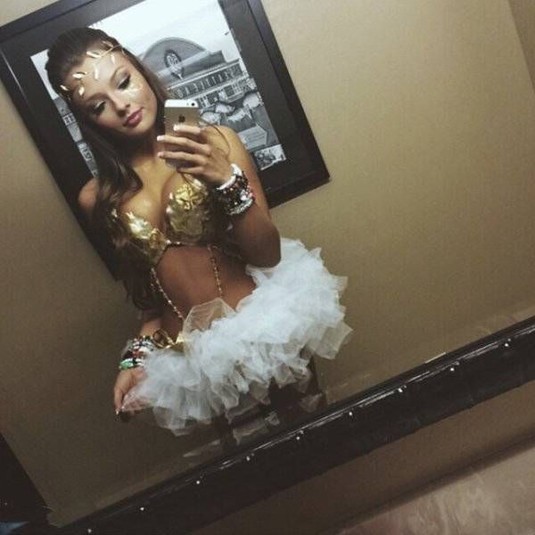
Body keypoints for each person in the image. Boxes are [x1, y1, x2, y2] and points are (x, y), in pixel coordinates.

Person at [45, 28, 351, 436]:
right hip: (191, 366)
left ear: (140, 71)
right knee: (247, 468)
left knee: (317, 442)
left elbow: (267, 255)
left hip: (260, 336)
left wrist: (226, 180)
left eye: (124, 81)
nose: (121, 105)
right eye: (99, 105)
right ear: (88, 120)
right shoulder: (96, 198)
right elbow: (152, 304)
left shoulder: (217, 142)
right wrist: (133, 362)